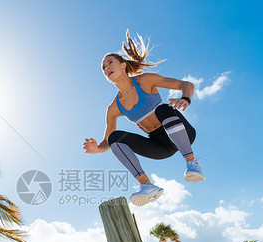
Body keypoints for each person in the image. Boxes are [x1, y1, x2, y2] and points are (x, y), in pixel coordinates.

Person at [83, 31, 205, 207]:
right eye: (103, 67)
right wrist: (97, 149)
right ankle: (146, 185)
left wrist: (185, 98)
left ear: (123, 65)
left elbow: (186, 84)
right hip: (160, 147)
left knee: (162, 109)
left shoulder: (145, 81)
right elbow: (106, 142)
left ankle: (192, 163)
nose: (107, 68)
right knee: (114, 137)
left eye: (110, 62)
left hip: (182, 134)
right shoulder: (114, 107)